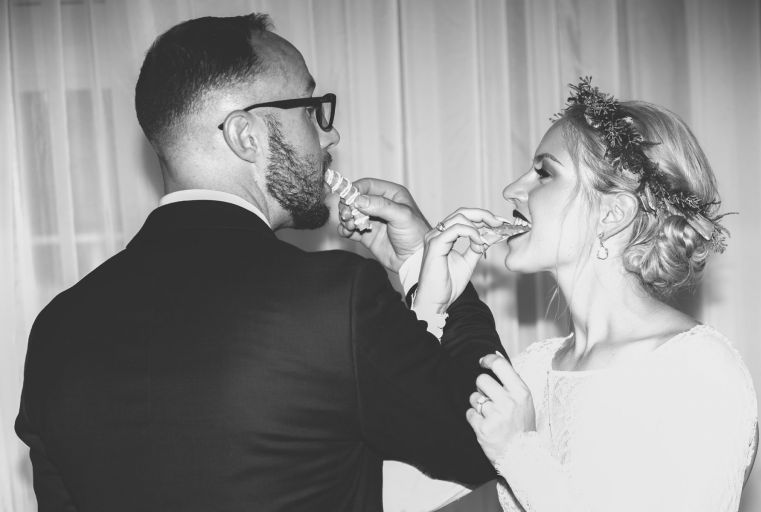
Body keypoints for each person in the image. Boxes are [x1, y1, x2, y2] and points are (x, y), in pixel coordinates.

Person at [14, 13, 504, 512]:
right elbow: (490, 443)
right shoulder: (335, 300)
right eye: (312, 110)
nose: (330, 137)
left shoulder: (56, 330)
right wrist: (432, 270)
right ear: (246, 135)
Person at [342, 77, 759, 511]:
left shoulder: (698, 371)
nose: (511, 191)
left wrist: (519, 452)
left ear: (613, 212)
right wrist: (427, 290)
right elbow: (409, 479)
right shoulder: (535, 368)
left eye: (544, 173)